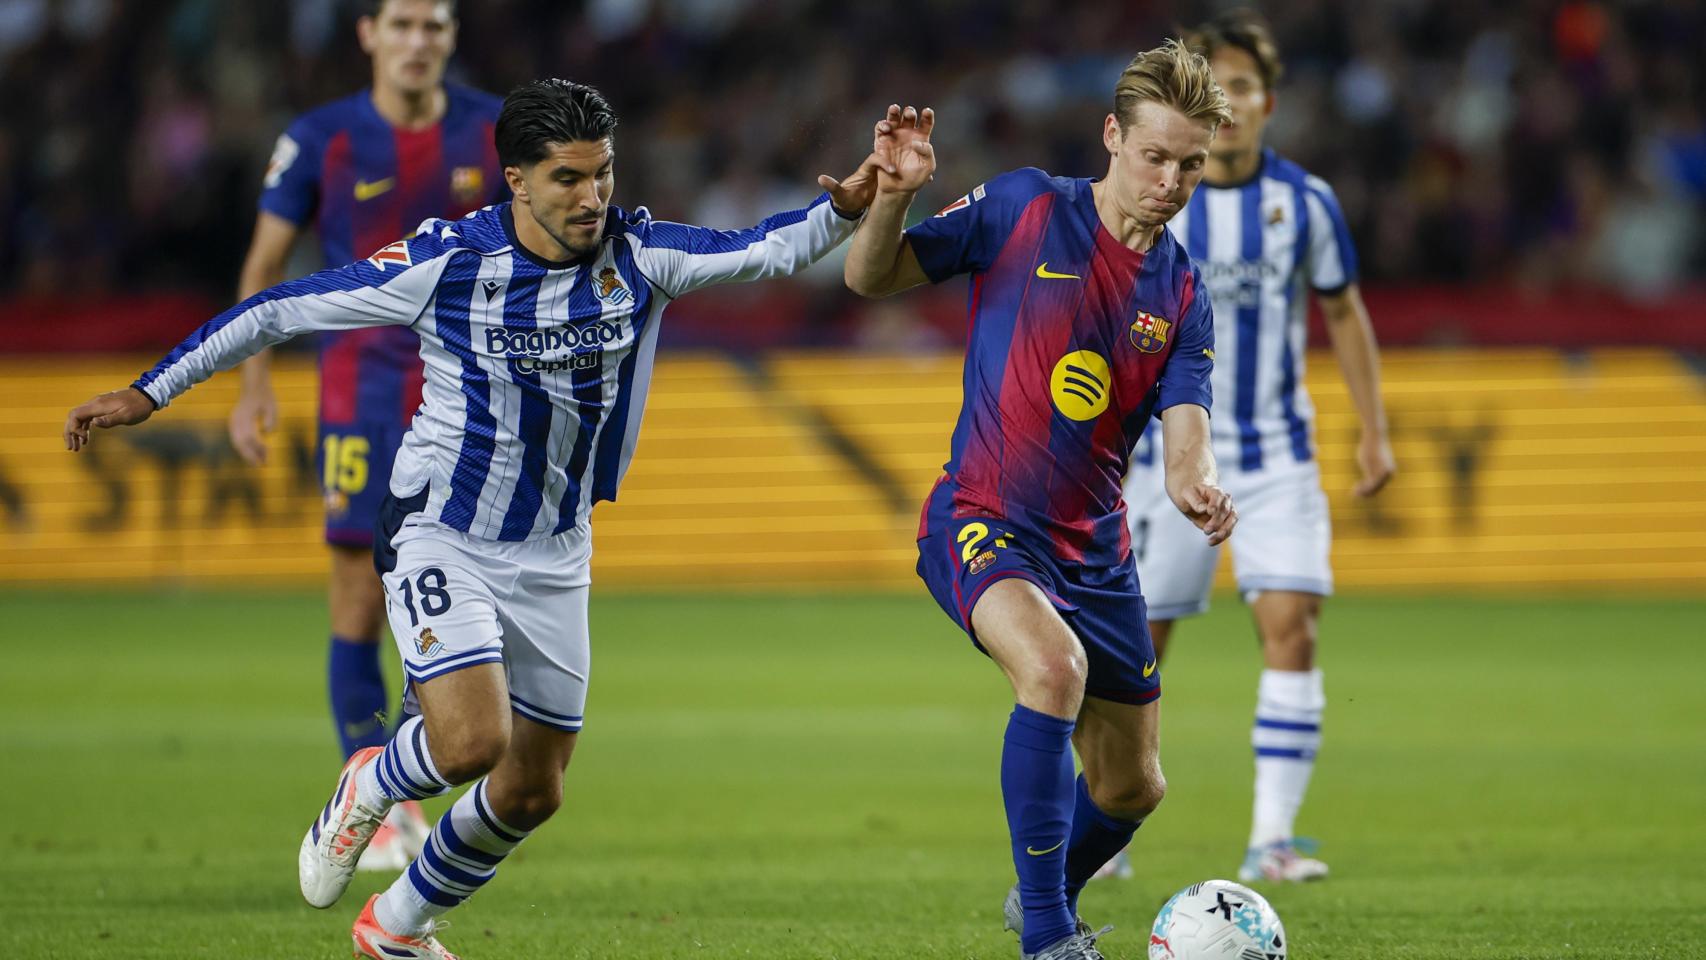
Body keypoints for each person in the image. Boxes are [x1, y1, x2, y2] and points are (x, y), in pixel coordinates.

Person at [66, 78, 882, 960]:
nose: (592, 196)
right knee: (469, 741)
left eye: (602, 174)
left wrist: (847, 207)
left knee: (533, 791)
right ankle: (370, 783)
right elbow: (281, 309)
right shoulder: (448, 262)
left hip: (557, 549)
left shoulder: (640, 255)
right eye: (568, 178)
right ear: (516, 181)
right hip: (442, 530)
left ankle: (396, 930)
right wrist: (153, 389)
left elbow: (765, 250)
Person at [844, 42, 1237, 960]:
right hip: (980, 516)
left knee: (1134, 786)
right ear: (1112, 136)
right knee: (1051, 672)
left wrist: (1197, 485)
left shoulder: (1181, 291)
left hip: (1095, 554)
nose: (1171, 180)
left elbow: (1188, 431)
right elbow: (874, 275)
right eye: (1155, 156)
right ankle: (1051, 939)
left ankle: (1043, 896)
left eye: (1191, 164)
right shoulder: (1024, 206)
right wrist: (895, 193)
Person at [225, 0, 507, 870]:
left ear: (453, 36)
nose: (418, 41)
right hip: (361, 390)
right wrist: (254, 383)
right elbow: (265, 268)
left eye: (434, 25)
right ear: (368, 35)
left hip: (471, 393)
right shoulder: (320, 140)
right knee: (355, 598)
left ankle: (405, 778)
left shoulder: (497, 131)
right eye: (402, 25)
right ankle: (377, 805)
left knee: (469, 593)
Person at [1119, 9, 1396, 885]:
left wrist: (1374, 430)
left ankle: (1270, 838)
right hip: (1169, 455)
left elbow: (1344, 311)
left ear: (1267, 101)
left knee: (1292, 627)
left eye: (1242, 84)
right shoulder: (1160, 199)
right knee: (1135, 643)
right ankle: (1106, 828)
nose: (1229, 101)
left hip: (1277, 453)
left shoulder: (1303, 203)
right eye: (1217, 84)